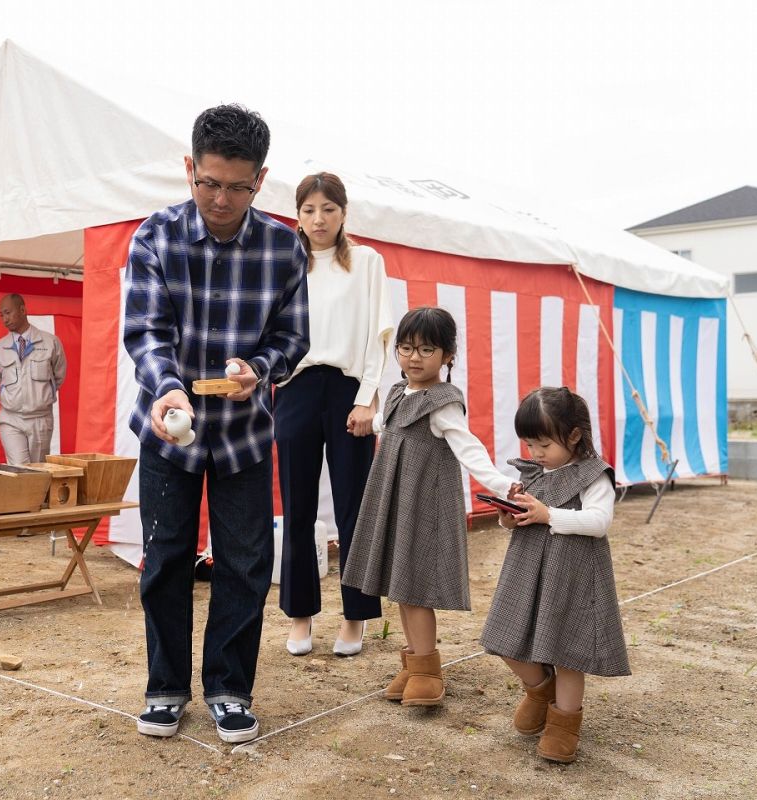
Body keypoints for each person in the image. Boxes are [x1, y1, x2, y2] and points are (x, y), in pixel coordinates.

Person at [124, 104, 309, 744]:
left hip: (246, 435)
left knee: (245, 563)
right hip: (168, 430)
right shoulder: (155, 236)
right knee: (166, 560)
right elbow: (145, 332)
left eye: (237, 186)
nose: (221, 199)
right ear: (189, 169)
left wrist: (261, 367)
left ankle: (230, 687)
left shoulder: (286, 247)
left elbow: (293, 335)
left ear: (261, 179)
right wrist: (168, 389)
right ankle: (166, 688)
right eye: (207, 183)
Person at [341, 307, 513, 708]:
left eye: (426, 349)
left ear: (448, 355)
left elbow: (468, 447)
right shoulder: (400, 392)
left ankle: (428, 672)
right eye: (405, 348)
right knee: (401, 586)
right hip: (395, 500)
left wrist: (504, 484)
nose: (414, 358)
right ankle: (415, 661)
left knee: (416, 588)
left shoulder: (444, 402)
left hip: (424, 505)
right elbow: (389, 422)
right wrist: (367, 422)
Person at [277, 172, 393, 658]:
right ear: (297, 215)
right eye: (308, 209)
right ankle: (300, 615)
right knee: (297, 507)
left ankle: (355, 617)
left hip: (348, 389)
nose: (318, 219)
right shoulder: (284, 264)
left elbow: (378, 333)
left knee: (353, 508)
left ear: (343, 212)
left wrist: (368, 399)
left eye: (327, 208)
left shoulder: (366, 262)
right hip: (295, 388)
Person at [479, 387, 629, 763]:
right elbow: (524, 521)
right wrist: (509, 518)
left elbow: (599, 522)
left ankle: (564, 724)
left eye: (543, 443)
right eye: (530, 444)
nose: (536, 453)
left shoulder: (594, 475)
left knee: (567, 651)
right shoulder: (534, 474)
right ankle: (540, 690)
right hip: (526, 570)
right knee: (503, 636)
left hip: (572, 574)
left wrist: (549, 515)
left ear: (574, 435)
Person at [0, 293, 67, 465]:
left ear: (23, 310)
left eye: (7, 312)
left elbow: (58, 376)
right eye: (1, 315)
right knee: (20, 469)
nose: (4, 319)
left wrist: (40, 396)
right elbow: (0, 379)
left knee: (37, 472)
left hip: (40, 419)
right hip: (10, 418)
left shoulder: (50, 342)